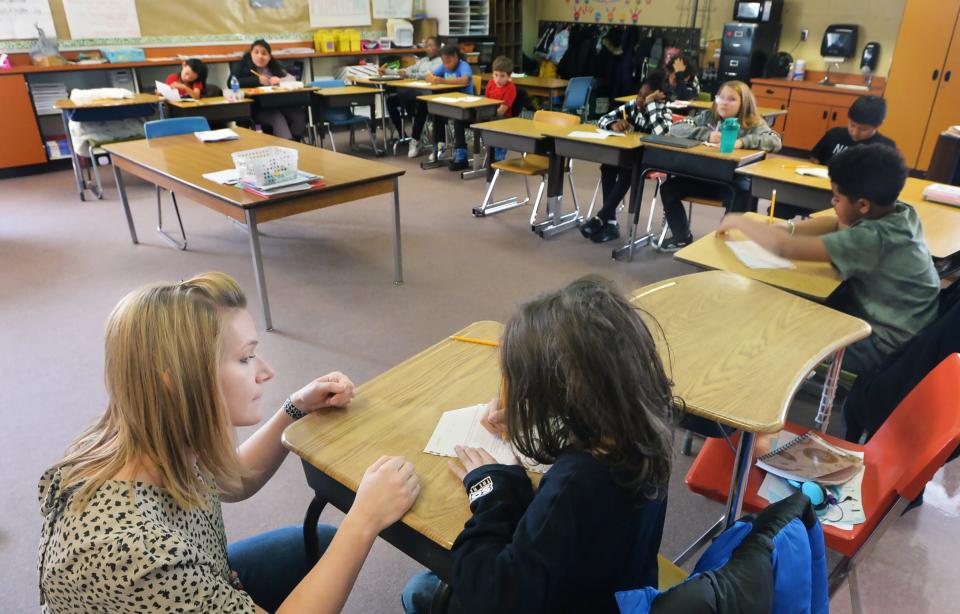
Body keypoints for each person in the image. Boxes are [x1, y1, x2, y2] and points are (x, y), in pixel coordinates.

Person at [38, 272, 421, 613]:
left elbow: (231, 480)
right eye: (246, 358)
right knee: (339, 544)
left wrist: (295, 408)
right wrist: (364, 520)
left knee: (322, 544)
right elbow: (157, 565)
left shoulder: (153, 434)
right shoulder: (133, 557)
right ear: (176, 380)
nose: (266, 372)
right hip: (172, 581)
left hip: (204, 576)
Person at [401, 276, 677, 614]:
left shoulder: (575, 483)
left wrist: (491, 491)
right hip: (622, 591)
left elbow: (493, 596)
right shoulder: (649, 417)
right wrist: (537, 413)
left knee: (422, 590)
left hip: (562, 600)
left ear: (558, 390)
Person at [715, 144, 940, 378]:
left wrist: (738, 220)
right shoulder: (900, 212)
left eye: (836, 198)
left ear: (863, 205)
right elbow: (837, 222)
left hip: (880, 346)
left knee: (772, 329)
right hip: (908, 331)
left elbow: (783, 248)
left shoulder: (874, 239)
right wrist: (788, 227)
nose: (832, 204)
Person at [657, 80, 782, 251]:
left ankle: (725, 245)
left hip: (732, 181)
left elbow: (774, 140)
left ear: (744, 103)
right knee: (668, 189)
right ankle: (681, 236)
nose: (724, 102)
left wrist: (742, 142)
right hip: (703, 176)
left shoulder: (753, 123)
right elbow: (677, 128)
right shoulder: (708, 117)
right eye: (720, 97)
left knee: (743, 195)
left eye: (731, 99)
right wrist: (706, 134)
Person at [580, 69, 672, 244]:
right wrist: (613, 123)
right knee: (608, 165)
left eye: (646, 97)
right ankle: (610, 223)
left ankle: (601, 218)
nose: (639, 101)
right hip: (630, 156)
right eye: (639, 95)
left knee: (627, 171)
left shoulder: (663, 112)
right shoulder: (633, 106)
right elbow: (603, 119)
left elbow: (660, 135)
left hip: (651, 160)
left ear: (658, 97)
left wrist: (651, 104)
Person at [411, 44, 474, 170]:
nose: (446, 65)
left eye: (449, 61)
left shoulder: (463, 66)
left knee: (458, 120)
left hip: (466, 105)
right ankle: (439, 147)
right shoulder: (444, 66)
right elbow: (430, 76)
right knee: (435, 112)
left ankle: (461, 154)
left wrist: (442, 81)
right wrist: (432, 78)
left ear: (456, 57)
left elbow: (464, 80)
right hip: (449, 101)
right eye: (444, 62)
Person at [232, 39, 307, 141]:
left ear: (269, 56)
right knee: (277, 118)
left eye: (264, 53)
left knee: (299, 115)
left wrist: (280, 80)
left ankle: (296, 142)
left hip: (280, 104)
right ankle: (289, 146)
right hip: (257, 108)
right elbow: (231, 83)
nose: (260, 56)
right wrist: (257, 80)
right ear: (251, 54)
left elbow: (292, 79)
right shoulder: (243, 67)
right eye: (256, 52)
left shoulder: (274, 67)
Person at [381, 36, 442, 143]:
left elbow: (427, 75)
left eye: (432, 46)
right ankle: (401, 133)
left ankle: (416, 136)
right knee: (391, 101)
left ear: (438, 48)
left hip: (426, 94)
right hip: (413, 92)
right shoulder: (423, 60)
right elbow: (407, 70)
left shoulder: (440, 62)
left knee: (410, 102)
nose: (429, 48)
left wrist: (408, 74)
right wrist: (386, 71)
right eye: (427, 46)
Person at [811, 95, 896, 165]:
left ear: (878, 125)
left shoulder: (886, 147)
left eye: (863, 129)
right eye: (852, 125)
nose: (855, 133)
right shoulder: (834, 134)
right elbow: (815, 158)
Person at [484, 55, 518, 162]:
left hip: (503, 118)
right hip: (490, 114)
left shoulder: (511, 88)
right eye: (496, 75)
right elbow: (486, 102)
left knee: (492, 121)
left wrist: (486, 113)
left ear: (509, 76)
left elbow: (502, 110)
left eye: (502, 76)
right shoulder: (490, 84)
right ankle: (489, 149)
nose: (498, 79)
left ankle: (499, 151)